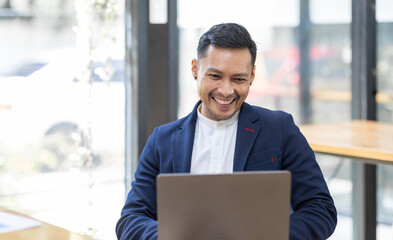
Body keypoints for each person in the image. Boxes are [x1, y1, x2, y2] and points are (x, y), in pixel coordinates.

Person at [116, 23, 337, 240]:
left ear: (252, 75)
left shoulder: (280, 129)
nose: (226, 90)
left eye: (238, 79)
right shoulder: (162, 140)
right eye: (215, 76)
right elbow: (131, 218)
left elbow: (320, 209)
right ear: (195, 69)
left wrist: (265, 235)